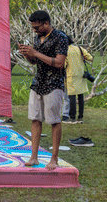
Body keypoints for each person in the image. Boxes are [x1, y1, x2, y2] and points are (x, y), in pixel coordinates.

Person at [18, 10, 68, 171]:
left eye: (37, 27)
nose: (35, 30)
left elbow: (59, 62)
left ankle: (54, 158)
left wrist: (36, 53)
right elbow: (34, 61)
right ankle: (34, 156)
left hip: (54, 83)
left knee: (53, 120)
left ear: (46, 23)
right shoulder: (37, 38)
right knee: (35, 118)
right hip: (38, 82)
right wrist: (27, 54)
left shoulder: (60, 37)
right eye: (33, 28)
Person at [64, 36, 93, 124]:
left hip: (71, 76)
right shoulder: (79, 48)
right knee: (80, 97)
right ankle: (80, 117)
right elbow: (90, 58)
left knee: (72, 96)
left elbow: (64, 65)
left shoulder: (65, 51)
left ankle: (72, 117)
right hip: (81, 75)